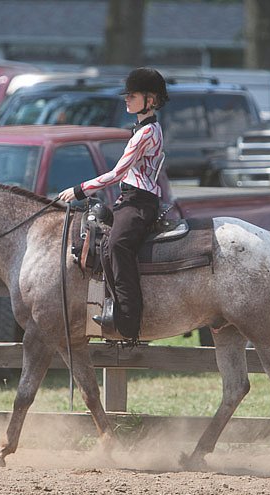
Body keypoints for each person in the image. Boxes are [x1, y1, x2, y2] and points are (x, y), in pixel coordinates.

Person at [58, 67, 168, 341]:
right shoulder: (143, 129)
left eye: (132, 95)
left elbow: (117, 173)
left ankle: (128, 320)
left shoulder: (145, 134)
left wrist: (80, 190)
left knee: (118, 244)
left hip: (140, 201)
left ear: (150, 100)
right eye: (127, 95)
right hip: (130, 198)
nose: (126, 100)